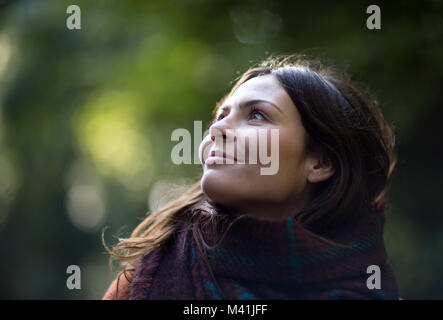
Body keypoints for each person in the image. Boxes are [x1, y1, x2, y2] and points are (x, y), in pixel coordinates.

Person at [102, 54, 400, 300]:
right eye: (221, 116)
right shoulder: (143, 280)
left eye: (257, 115)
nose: (216, 130)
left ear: (320, 163)